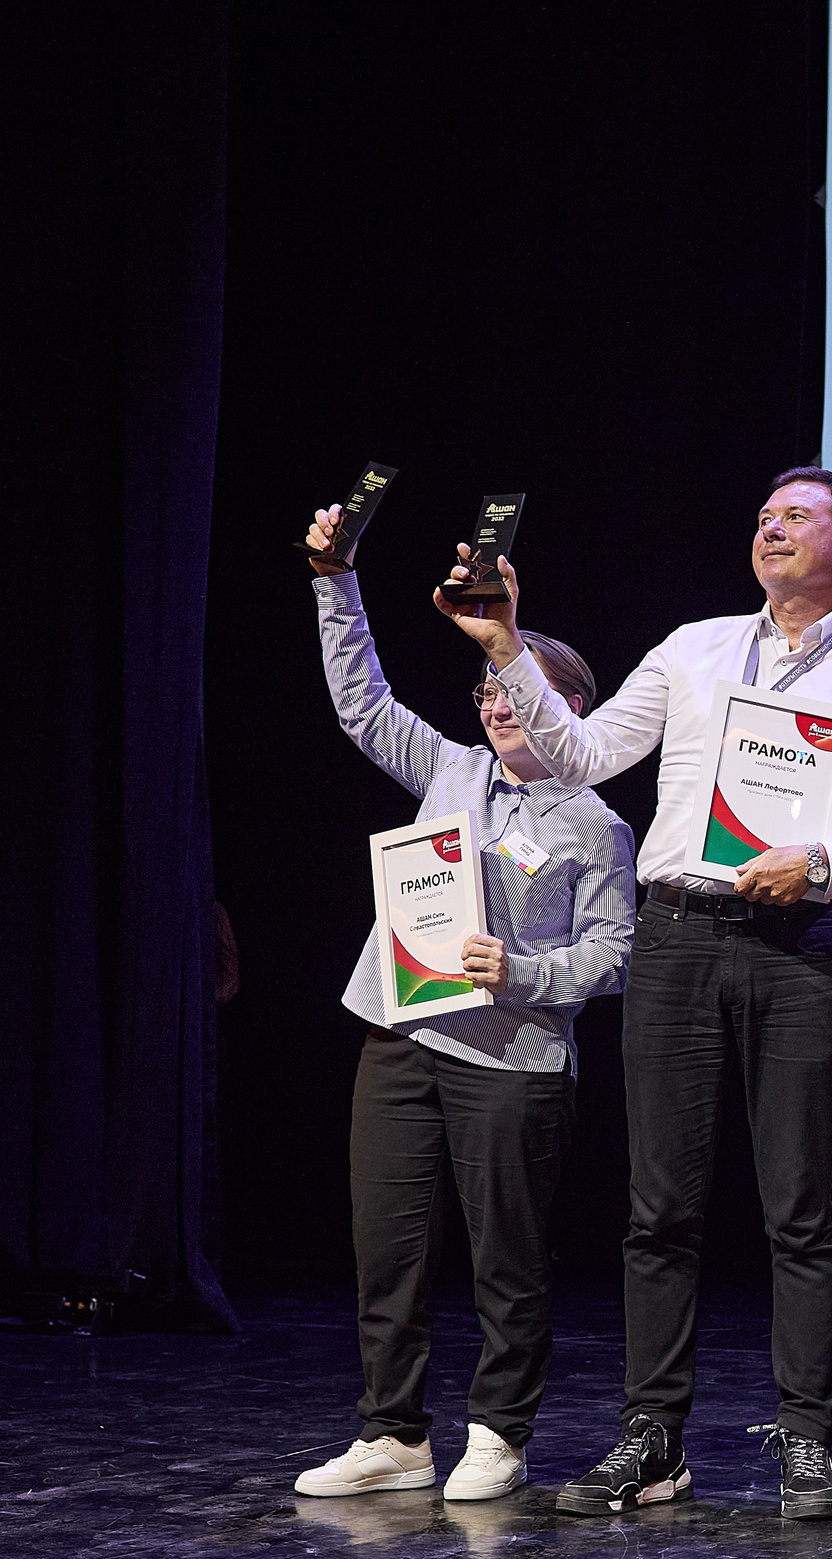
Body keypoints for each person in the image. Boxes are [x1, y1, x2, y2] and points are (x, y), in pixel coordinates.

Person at [440, 467, 832, 1519]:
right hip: (675, 937)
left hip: (797, 947)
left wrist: (819, 864)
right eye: (763, 516)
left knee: (799, 1209)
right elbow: (581, 755)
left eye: (796, 516)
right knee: (658, 1209)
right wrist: (508, 645)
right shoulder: (692, 648)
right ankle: (652, 1440)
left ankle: (807, 1441)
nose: (771, 528)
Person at [290, 501, 636, 1504]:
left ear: (569, 708)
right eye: (485, 686)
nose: (495, 701)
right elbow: (362, 703)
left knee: (507, 1258)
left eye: (515, 685)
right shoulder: (451, 769)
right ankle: (393, 1433)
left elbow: (615, 953)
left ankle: (498, 1432)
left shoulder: (594, 824)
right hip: (402, 1035)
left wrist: (520, 972)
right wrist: (336, 581)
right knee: (387, 1247)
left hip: (511, 1059)